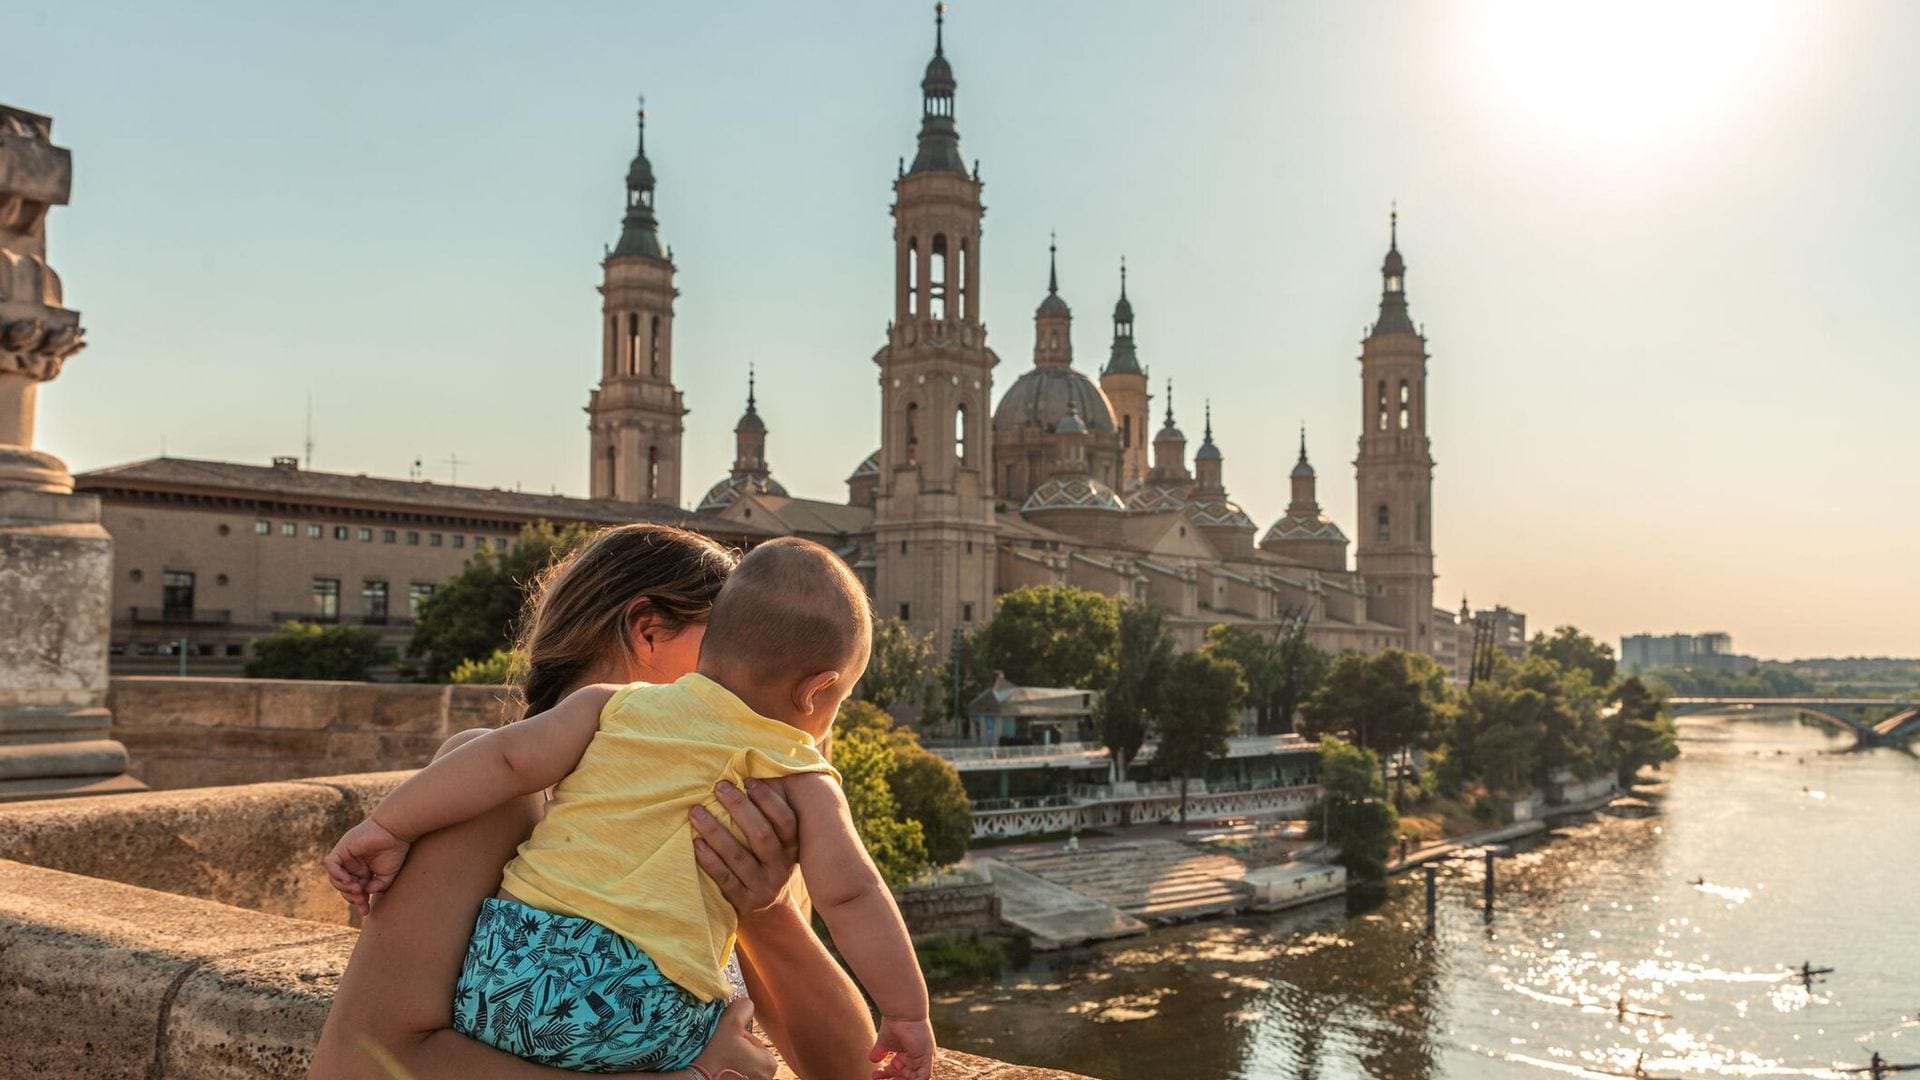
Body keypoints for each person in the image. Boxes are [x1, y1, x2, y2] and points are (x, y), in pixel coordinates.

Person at [326, 538, 935, 1079]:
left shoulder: (757, 824)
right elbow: (357, 1066)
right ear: (648, 631)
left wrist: (768, 910)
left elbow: (851, 1073)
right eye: (723, 632)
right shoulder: (491, 803)